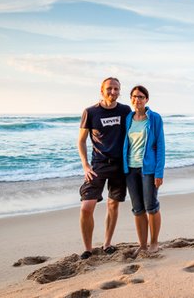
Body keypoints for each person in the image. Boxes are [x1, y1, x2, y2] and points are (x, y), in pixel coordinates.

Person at [77, 77, 132, 259]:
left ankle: (107, 243)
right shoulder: (91, 112)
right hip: (98, 166)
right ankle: (88, 248)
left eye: (116, 89)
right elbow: (81, 141)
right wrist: (85, 165)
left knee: (113, 204)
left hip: (119, 166)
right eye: (109, 89)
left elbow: (133, 134)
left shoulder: (125, 110)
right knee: (86, 207)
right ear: (102, 90)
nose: (113, 92)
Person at [122, 85, 165, 253]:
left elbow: (160, 146)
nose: (137, 99)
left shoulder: (154, 118)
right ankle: (142, 245)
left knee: (151, 206)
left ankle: (154, 243)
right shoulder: (128, 119)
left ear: (146, 99)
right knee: (138, 209)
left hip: (148, 169)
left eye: (140, 96)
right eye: (134, 96)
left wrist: (159, 173)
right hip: (130, 169)